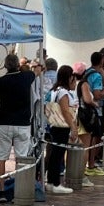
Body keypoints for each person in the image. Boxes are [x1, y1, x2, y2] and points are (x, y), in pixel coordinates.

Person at [0, 53, 35, 201]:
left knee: (1, 157)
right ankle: (18, 192)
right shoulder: (27, 77)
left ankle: (1, 191)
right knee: (21, 158)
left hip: (4, 123)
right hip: (23, 124)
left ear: (5, 66)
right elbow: (36, 71)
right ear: (18, 65)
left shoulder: (0, 81)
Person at [44, 65, 76, 195]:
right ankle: (55, 182)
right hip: (61, 126)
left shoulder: (54, 90)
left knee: (54, 154)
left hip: (53, 126)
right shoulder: (63, 92)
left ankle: (51, 181)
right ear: (69, 78)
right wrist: (73, 127)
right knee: (58, 154)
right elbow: (65, 111)